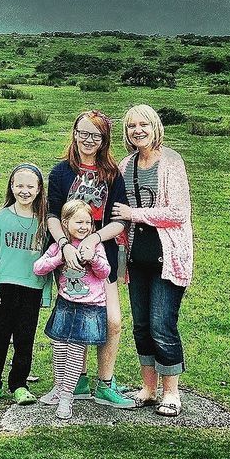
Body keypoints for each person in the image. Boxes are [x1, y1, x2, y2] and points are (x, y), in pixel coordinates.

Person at [43, 110, 135, 408]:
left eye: (95, 135)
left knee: (112, 321)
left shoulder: (111, 174)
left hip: (102, 258)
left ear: (104, 139)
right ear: (74, 133)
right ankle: (77, 380)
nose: (88, 140)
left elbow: (120, 221)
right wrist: (65, 246)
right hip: (68, 261)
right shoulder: (60, 173)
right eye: (83, 133)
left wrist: (94, 238)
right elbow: (53, 214)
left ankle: (105, 384)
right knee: (74, 320)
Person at [110, 103, 194, 417]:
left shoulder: (171, 162)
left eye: (143, 124)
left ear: (155, 126)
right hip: (136, 258)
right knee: (142, 326)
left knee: (162, 324)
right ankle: (148, 388)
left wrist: (137, 214)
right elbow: (117, 211)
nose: (138, 131)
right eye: (132, 126)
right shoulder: (125, 165)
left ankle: (171, 393)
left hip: (168, 257)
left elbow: (178, 213)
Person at [33, 201, 114, 419]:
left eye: (88, 222)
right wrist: (60, 257)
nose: (84, 226)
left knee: (76, 351)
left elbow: (105, 272)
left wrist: (94, 259)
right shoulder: (61, 246)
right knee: (59, 347)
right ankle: (58, 388)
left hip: (89, 308)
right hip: (65, 304)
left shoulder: (95, 247)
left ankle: (68, 396)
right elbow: (38, 267)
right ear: (66, 223)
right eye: (79, 222)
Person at [0, 164, 51, 405]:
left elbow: (50, 259)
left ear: (39, 189)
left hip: (32, 289)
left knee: (24, 339)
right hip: (3, 288)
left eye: (30, 186)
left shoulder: (44, 222)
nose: (24, 191)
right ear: (11, 187)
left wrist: (46, 293)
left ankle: (19, 384)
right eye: (19, 185)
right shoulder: (1, 218)